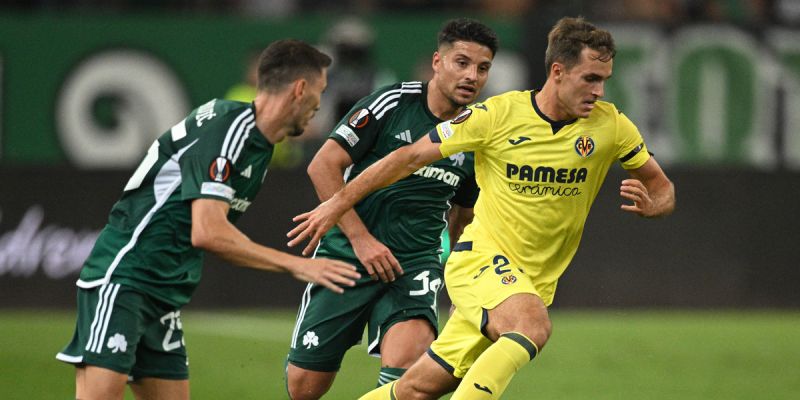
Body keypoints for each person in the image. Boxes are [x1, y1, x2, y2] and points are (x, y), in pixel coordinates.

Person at [288, 17, 676, 399]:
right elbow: (406, 157)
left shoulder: (611, 126)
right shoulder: (493, 116)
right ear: (558, 71)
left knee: (414, 389)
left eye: (604, 79)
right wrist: (337, 206)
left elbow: (662, 188)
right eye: (590, 78)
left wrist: (655, 205)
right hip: (471, 261)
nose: (599, 90)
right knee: (530, 327)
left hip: (493, 273)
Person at [55, 39, 361, 400]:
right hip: (125, 278)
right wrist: (298, 265)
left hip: (161, 293)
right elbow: (208, 232)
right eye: (319, 92)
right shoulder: (228, 128)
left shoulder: (259, 144)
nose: (319, 105)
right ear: (299, 89)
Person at [284, 19, 498, 400]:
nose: (472, 76)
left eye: (482, 68)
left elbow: (463, 217)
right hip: (348, 253)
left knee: (409, 378)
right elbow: (323, 166)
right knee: (304, 387)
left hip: (414, 263)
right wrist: (361, 239)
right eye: (462, 63)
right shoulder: (393, 103)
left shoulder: (477, 132)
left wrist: (460, 287)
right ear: (437, 62)